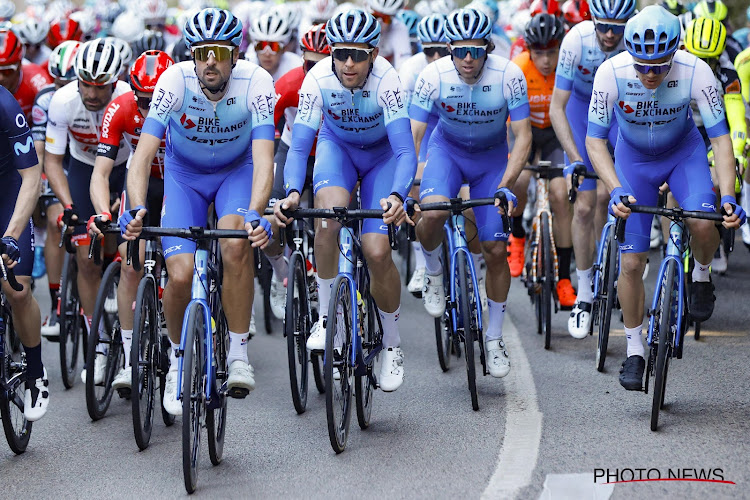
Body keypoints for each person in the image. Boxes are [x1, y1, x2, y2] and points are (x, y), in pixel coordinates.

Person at [120, 8, 275, 415]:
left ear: (235, 55)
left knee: (236, 248)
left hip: (234, 175)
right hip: (184, 177)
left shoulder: (257, 82)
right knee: (181, 274)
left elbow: (263, 159)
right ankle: (176, 361)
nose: (210, 60)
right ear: (192, 55)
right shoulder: (173, 81)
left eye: (219, 52)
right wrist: (136, 207)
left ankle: (238, 354)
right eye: (202, 52)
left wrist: (257, 213)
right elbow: (142, 157)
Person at [585, 5, 744, 391]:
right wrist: (614, 186)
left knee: (704, 222)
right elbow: (595, 140)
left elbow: (721, 139)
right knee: (631, 263)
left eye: (660, 66)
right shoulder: (611, 73)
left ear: (675, 54)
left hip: (683, 156)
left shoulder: (695, 70)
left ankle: (701, 276)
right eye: (643, 66)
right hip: (633, 163)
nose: (650, 74)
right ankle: (635, 350)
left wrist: (726, 195)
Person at [274, 9, 417, 392]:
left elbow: (405, 150)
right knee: (326, 221)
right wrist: (291, 191)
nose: (348, 63)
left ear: (373, 53)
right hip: (337, 151)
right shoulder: (317, 80)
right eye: (340, 54)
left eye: (357, 54)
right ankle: (326, 318)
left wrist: (397, 195)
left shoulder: (388, 81)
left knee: (376, 248)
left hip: (381, 159)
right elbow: (299, 146)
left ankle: (391, 342)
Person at [410, 8, 532, 378]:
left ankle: (494, 338)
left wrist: (505, 185)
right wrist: (407, 184)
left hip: (491, 162)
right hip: (446, 154)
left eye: (476, 50)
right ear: (449, 49)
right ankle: (432, 270)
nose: (467, 58)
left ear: (488, 48)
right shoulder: (433, 75)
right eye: (460, 50)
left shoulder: (508, 74)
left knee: (496, 248)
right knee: (431, 213)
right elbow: (413, 136)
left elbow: (523, 136)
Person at [44, 38, 131, 383]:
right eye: (86, 85)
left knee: (128, 253)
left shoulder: (129, 97)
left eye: (101, 87)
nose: (92, 95)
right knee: (84, 257)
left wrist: (116, 200)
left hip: (125, 169)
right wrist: (68, 206)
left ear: (115, 82)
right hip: (82, 169)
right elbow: (52, 161)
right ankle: (98, 343)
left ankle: (131, 328)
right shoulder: (63, 101)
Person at [88, 50, 174, 391]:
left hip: (179, 182)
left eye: (155, 100)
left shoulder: (185, 106)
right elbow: (101, 172)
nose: (147, 107)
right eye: (141, 99)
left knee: (179, 256)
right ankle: (128, 358)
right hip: (142, 181)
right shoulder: (120, 108)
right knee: (129, 264)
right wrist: (102, 211)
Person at [549, 0, 635, 339]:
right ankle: (584, 292)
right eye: (604, 26)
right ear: (592, 20)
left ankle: (614, 266)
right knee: (584, 205)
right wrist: (575, 158)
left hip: (620, 114)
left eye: (618, 27)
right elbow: (557, 107)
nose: (611, 34)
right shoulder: (576, 41)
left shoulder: (637, 40)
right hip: (582, 112)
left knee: (609, 198)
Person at [263, 23, 331, 321]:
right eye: (309, 64)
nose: (314, 71)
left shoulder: (345, 83)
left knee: (333, 219)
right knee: (269, 218)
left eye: (323, 64)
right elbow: (266, 133)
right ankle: (281, 275)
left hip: (331, 154)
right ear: (301, 56)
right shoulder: (289, 84)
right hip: (292, 150)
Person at [510, 13, 577, 308]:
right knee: (521, 180)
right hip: (524, 132)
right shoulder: (519, 69)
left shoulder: (566, 68)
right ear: (529, 51)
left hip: (553, 134)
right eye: (540, 53)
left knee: (562, 196)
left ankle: (563, 278)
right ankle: (517, 237)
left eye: (552, 52)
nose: (547, 60)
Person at [0, 84, 49, 421]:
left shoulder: (5, 104)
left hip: (10, 192)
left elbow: (32, 177)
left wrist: (12, 234)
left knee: (16, 288)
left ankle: (35, 373)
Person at [684, 17, 746, 273]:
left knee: (718, 180)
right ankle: (671, 245)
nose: (703, 67)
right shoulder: (674, 66)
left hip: (713, 133)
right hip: (684, 130)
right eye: (697, 58)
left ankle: (714, 232)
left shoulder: (728, 74)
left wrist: (739, 154)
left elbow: (738, 123)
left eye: (710, 60)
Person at [31, 40, 81, 338]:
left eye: (70, 82)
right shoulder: (46, 100)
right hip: (58, 164)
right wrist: (35, 186)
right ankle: (57, 302)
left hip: (89, 164)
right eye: (58, 82)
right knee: (55, 221)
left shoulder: (97, 96)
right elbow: (39, 152)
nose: (63, 88)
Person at [398, 13, 450, 296]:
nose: (434, 57)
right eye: (428, 50)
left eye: (441, 51)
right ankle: (422, 264)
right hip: (424, 124)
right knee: (418, 183)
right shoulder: (411, 70)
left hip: (450, 124)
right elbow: (410, 127)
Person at [246, 7, 301, 81]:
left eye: (274, 46)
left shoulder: (296, 66)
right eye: (261, 46)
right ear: (254, 48)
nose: (267, 54)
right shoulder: (246, 65)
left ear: (284, 49)